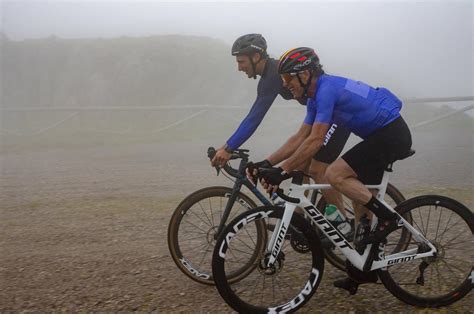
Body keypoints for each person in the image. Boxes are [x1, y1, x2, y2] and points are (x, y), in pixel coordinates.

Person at [257, 47, 412, 293]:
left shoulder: (327, 89)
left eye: (288, 78)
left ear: (305, 74)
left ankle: (388, 218)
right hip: (378, 136)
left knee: (334, 174)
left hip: (391, 134)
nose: (285, 85)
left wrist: (284, 170)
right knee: (359, 203)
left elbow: (316, 140)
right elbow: (301, 137)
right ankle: (362, 271)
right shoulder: (314, 97)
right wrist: (268, 163)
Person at [211, 35, 353, 233]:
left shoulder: (274, 75)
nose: (239, 67)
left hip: (338, 117)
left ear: (256, 56)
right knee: (299, 165)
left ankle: (344, 227)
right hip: (320, 114)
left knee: (317, 169)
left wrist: (228, 148)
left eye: (241, 61)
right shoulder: (270, 76)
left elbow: (255, 117)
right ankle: (299, 218)